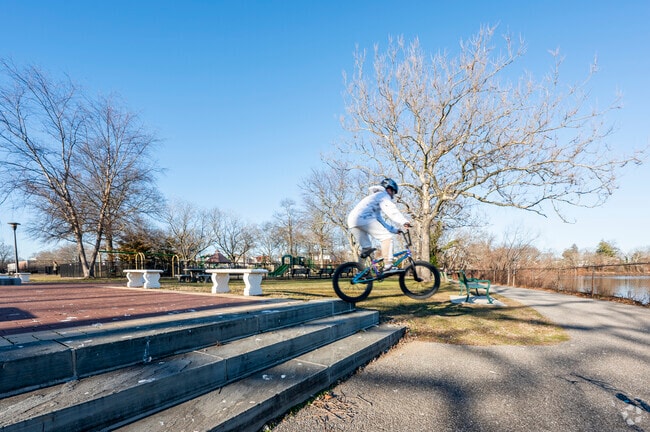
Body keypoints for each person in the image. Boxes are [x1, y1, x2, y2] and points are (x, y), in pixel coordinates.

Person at [347, 178, 411, 273]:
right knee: (386, 237)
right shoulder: (383, 195)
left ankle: (360, 271)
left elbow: (380, 220)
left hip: (352, 221)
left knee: (366, 247)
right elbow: (391, 211)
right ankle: (388, 266)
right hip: (363, 218)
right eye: (393, 192)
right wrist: (404, 221)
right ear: (389, 189)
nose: (393, 195)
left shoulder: (373, 199)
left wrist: (394, 230)